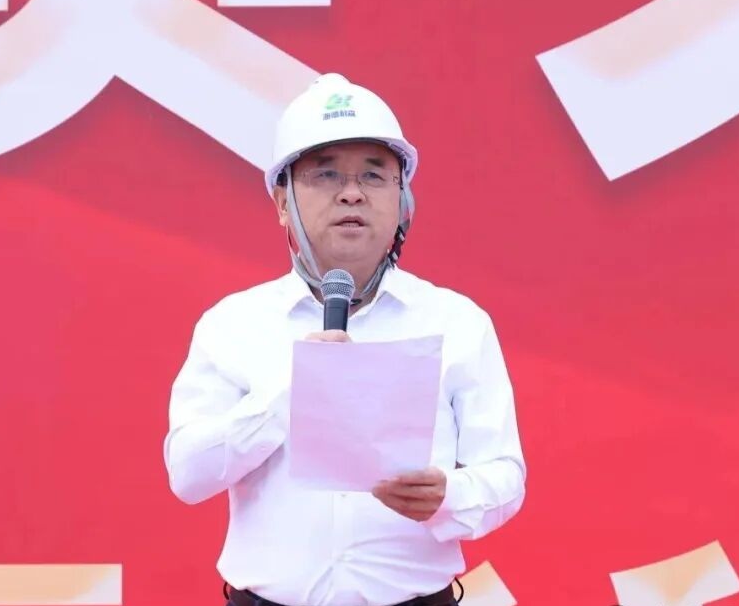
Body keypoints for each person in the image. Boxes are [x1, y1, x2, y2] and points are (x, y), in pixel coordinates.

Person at [163, 73, 526, 606]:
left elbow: (505, 476)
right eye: (325, 174)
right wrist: (291, 393)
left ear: (403, 200)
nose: (351, 192)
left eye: (374, 175)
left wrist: (449, 496)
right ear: (283, 202)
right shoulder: (234, 324)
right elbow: (188, 474)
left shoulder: (456, 321)